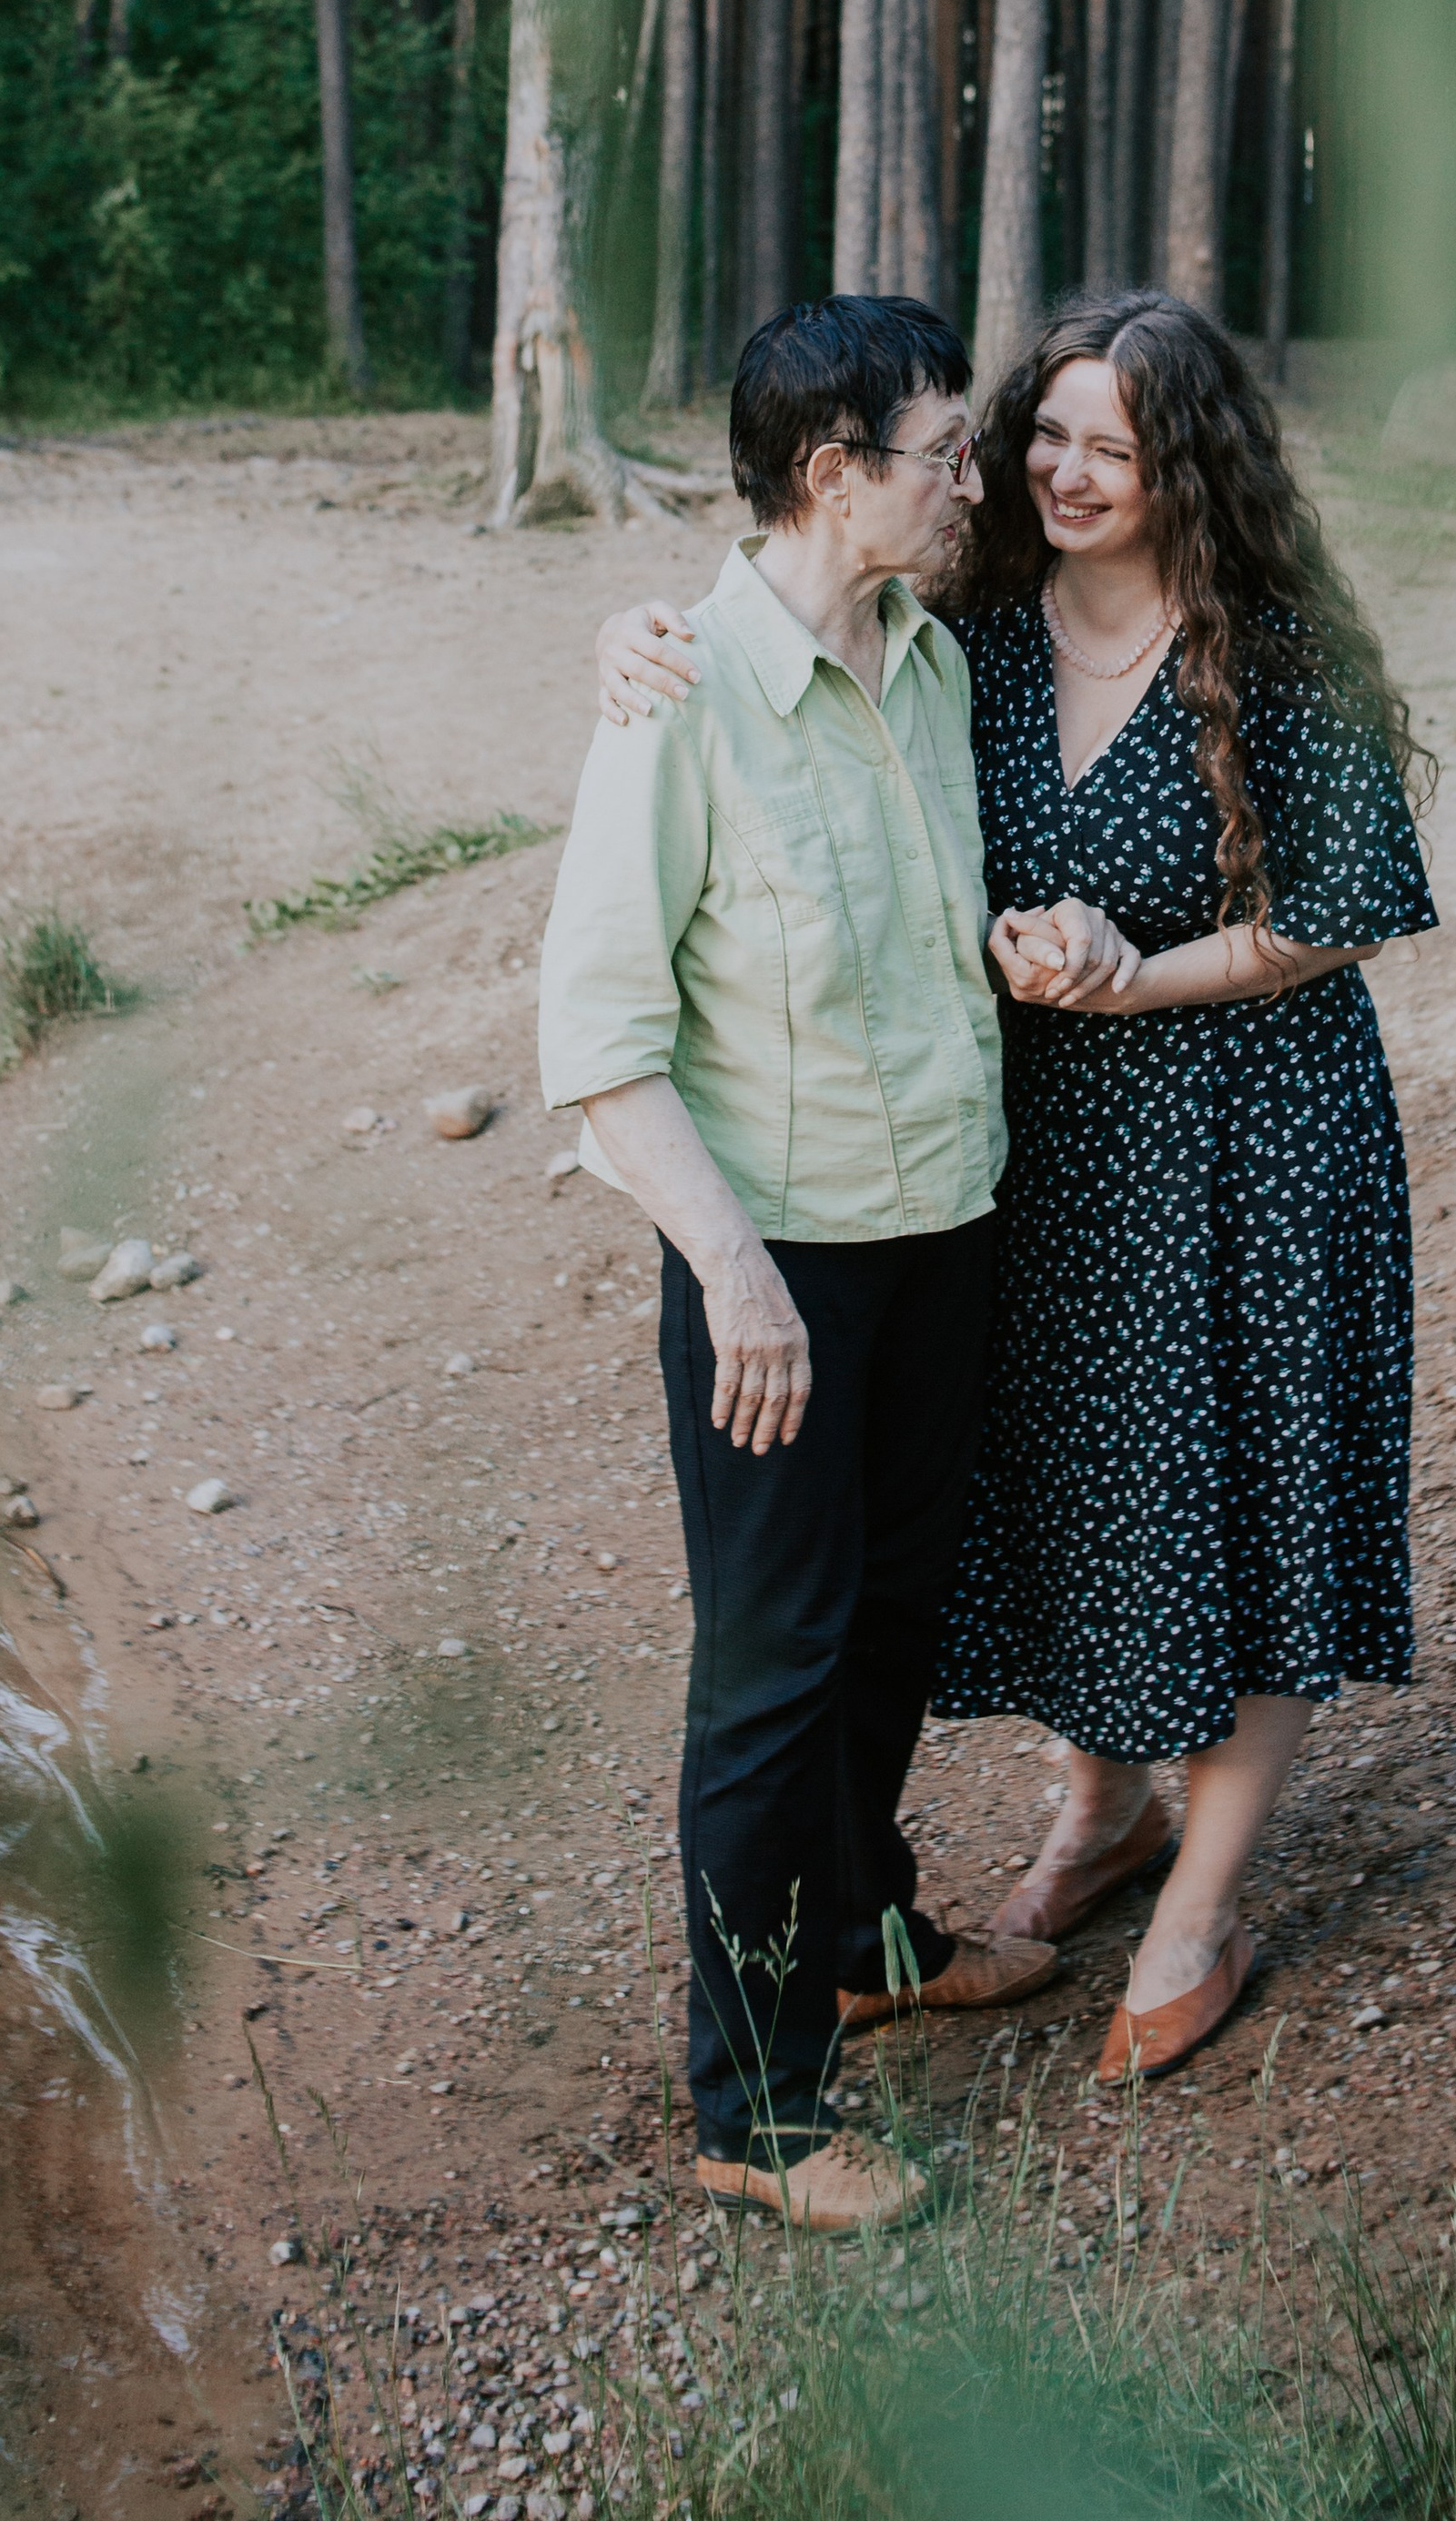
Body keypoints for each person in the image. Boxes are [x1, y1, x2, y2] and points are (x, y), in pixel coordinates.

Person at [597, 290, 1435, 2087]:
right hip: (1035, 1155)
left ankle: (1197, 1896)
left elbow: (1347, 903)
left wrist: (1140, 969)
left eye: (1102, 445)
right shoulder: (954, 628)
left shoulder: (1271, 655)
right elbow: (778, 604)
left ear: (1183, 466)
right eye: (1033, 431)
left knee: (1252, 1495)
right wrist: (630, 635)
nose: (1048, 470)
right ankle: (1098, 1811)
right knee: (1077, 1491)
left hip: (1250, 1141)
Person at [538, 295, 1058, 2240]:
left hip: (943, 1224)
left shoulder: (924, 655)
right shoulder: (673, 693)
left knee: (890, 1616)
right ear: (837, 469)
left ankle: (858, 1935)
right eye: (944, 449)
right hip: (774, 1265)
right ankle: (751, 2105)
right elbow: (597, 1043)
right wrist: (734, 1275)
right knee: (767, 1672)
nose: (974, 479)